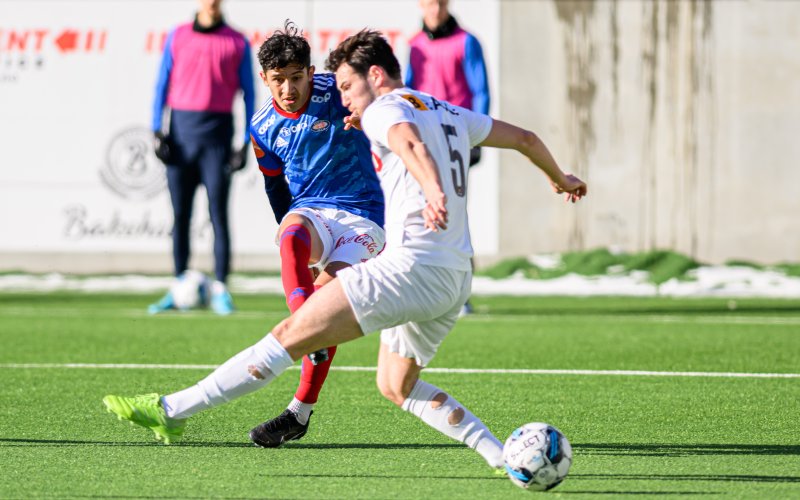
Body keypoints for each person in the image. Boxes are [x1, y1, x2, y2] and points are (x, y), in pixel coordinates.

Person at [102, 30, 587, 473]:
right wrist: (559, 177)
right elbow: (523, 138)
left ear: (374, 76)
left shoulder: (383, 109)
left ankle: (169, 411)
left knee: (288, 335)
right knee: (396, 385)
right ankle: (501, 457)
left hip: (408, 269)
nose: (344, 98)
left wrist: (432, 188)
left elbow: (408, 144)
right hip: (456, 277)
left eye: (349, 86)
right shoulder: (446, 109)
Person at [246, 21, 385, 447]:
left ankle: (299, 412)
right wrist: (293, 229)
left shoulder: (337, 91)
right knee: (289, 235)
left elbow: (387, 106)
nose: (288, 88)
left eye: (295, 77)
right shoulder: (262, 127)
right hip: (313, 213)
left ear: (310, 72)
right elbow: (274, 186)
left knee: (328, 313)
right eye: (277, 80)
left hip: (365, 216)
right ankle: (303, 316)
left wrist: (368, 116)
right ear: (265, 80)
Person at [148, 0, 255, 316]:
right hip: (181, 138)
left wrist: (246, 142)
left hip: (217, 140)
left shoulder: (237, 40)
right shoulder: (177, 35)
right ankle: (178, 284)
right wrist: (156, 130)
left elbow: (249, 93)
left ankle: (221, 287)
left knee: (218, 215)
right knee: (180, 215)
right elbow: (161, 84)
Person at [405, 0, 491, 315]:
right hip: (425, 141)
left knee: (455, 216)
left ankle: (461, 293)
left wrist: (476, 136)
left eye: (440, 3)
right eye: (429, 3)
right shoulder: (414, 45)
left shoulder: (467, 42)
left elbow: (480, 90)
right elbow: (408, 92)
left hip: (456, 138)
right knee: (423, 211)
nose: (435, 9)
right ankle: (426, 287)